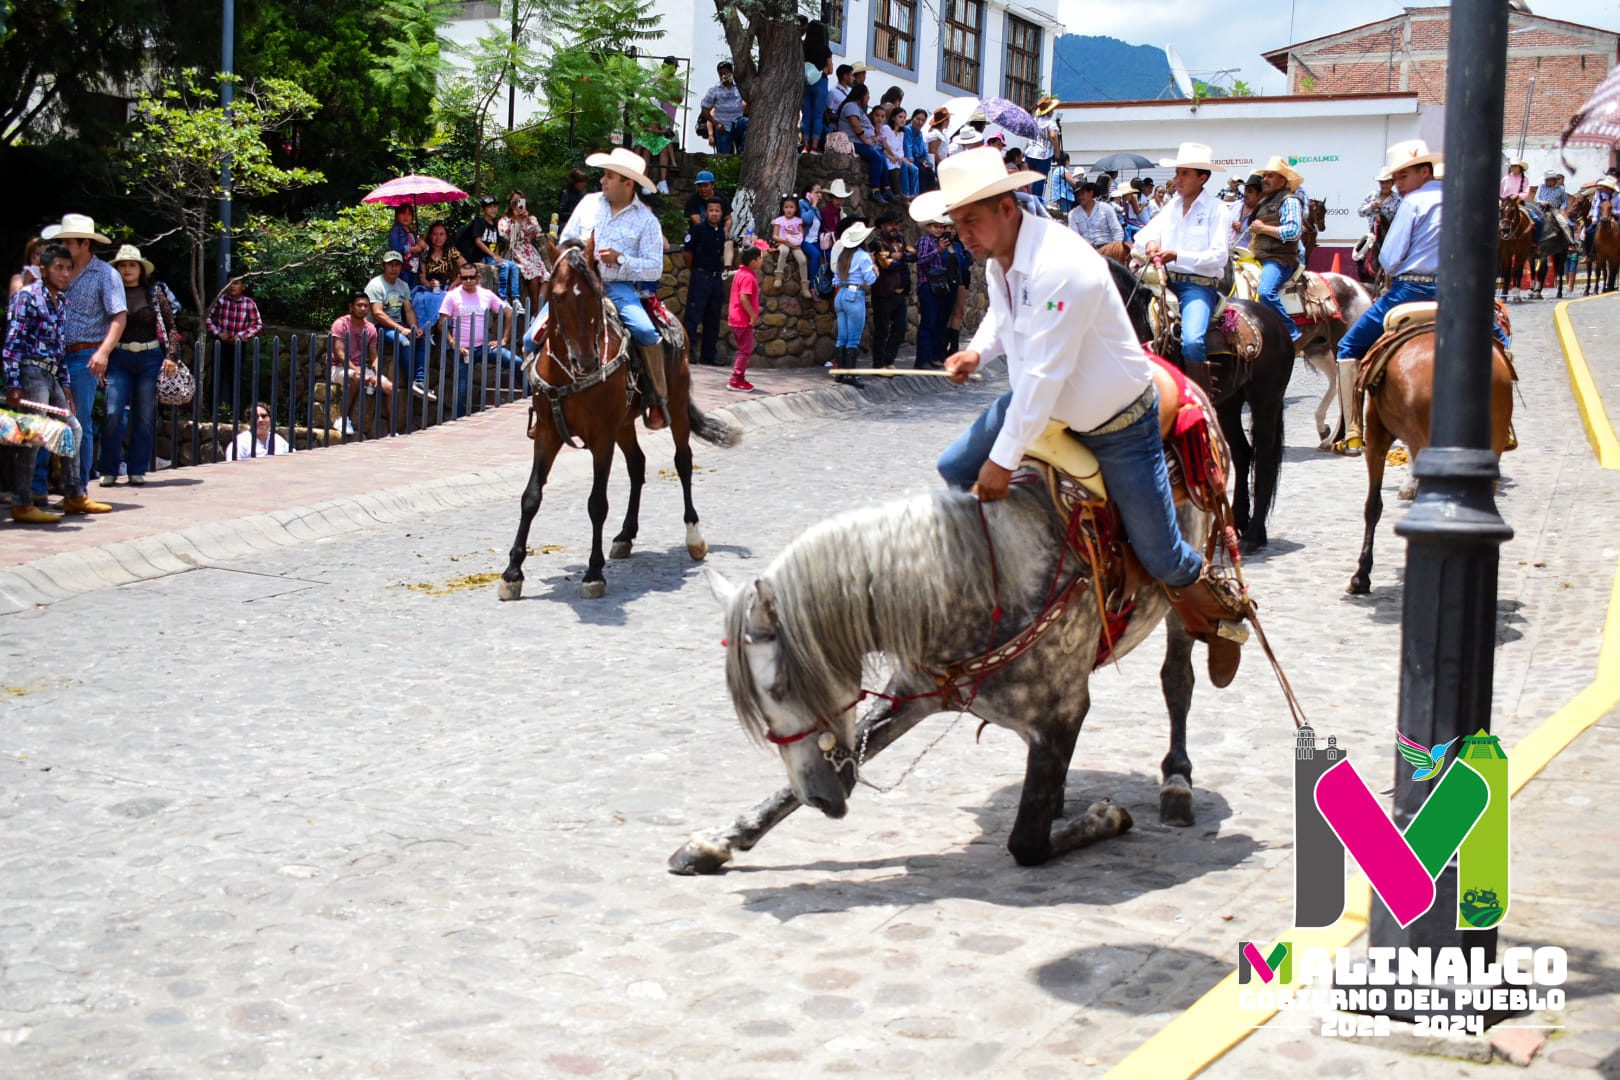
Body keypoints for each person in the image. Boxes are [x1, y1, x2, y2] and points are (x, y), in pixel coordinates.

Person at [914, 147, 1245, 686]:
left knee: (1161, 554)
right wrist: (979, 351)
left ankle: (1223, 607)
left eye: (970, 219)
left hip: (1116, 423)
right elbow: (1006, 321)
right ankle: (1009, 582)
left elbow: (1045, 377)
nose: (963, 233)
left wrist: (1001, 462)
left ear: (1005, 207)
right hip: (1036, 406)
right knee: (954, 468)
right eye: (956, 222)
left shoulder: (1062, 267)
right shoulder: (1003, 256)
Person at [1334, 139, 1454, 455]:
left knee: (1348, 345)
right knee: (1497, 341)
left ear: (1425, 172)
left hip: (1410, 291)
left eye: (1402, 177)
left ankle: (1354, 429)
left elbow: (1390, 258)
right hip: (1455, 293)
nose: (1397, 184)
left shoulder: (1412, 204)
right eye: (1396, 178)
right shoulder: (1459, 200)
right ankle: (1502, 426)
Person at [560, 147, 671, 429]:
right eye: (604, 176)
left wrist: (620, 260)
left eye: (609, 176)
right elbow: (565, 241)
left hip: (617, 286)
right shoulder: (588, 203)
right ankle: (539, 400)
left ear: (628, 183)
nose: (603, 181)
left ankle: (657, 399)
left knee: (646, 331)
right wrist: (578, 258)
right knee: (532, 335)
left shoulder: (647, 221)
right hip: (580, 284)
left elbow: (654, 267)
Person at [4, 243, 111, 520]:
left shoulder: (62, 301)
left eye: (68, 268)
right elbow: (12, 344)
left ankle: (74, 495)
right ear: (44, 270)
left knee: (72, 428)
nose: (65, 274)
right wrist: (14, 383)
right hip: (30, 371)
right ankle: (22, 502)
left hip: (52, 374)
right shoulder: (26, 296)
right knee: (33, 435)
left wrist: (65, 385)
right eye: (58, 268)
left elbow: (59, 347)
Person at [1133, 142, 1232, 391]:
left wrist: (1177, 255)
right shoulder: (1171, 207)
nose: (1177, 180)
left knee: (1191, 341)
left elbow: (1219, 256)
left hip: (1196, 287)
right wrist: (1152, 244)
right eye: (1177, 173)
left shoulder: (1217, 210)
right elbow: (1143, 236)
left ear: (1202, 178)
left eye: (1184, 174)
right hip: (1162, 282)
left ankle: (1200, 401)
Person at [41, 214, 125, 500]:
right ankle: (40, 488)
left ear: (84, 243)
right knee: (44, 420)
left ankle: (78, 488)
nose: (63, 245)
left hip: (83, 354)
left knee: (79, 422)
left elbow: (119, 316)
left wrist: (103, 352)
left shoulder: (105, 274)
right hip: (51, 355)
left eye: (67, 241)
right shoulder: (57, 271)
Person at [100, 244, 180, 487]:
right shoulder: (111, 293)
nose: (127, 269)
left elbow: (171, 326)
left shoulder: (154, 293)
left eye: (131, 265)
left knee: (144, 416)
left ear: (140, 268)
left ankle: (137, 469)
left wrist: (171, 356)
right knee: (113, 413)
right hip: (119, 358)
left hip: (149, 357)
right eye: (122, 265)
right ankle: (109, 469)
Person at [437, 263, 519, 418]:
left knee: (517, 362)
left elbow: (508, 312)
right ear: (460, 278)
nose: (468, 280)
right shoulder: (452, 296)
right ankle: (458, 422)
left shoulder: (486, 294)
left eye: (471, 277)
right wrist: (453, 343)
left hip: (483, 347)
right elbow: (442, 323)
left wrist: (504, 339)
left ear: (478, 277)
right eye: (464, 277)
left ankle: (527, 401)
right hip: (463, 351)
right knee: (461, 390)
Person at [1248, 157, 1306, 345]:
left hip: (1278, 259)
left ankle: (1292, 333)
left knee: (1265, 291)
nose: (1265, 179)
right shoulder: (1264, 201)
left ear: (1283, 180)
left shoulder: (1289, 201)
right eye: (1265, 175)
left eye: (1271, 176)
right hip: (1258, 257)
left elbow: (1293, 231)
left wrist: (1263, 228)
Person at [366, 252, 433, 402]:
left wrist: (414, 327)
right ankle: (411, 382)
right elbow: (378, 314)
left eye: (397, 265)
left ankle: (420, 382)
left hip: (396, 324)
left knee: (423, 339)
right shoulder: (375, 285)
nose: (394, 268)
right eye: (390, 264)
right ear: (384, 266)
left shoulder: (403, 285)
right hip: (377, 327)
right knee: (404, 341)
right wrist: (402, 329)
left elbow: (408, 310)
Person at [329, 292, 395, 435]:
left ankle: (392, 431)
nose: (363, 308)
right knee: (357, 378)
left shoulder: (370, 328)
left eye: (366, 305)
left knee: (390, 387)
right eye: (359, 305)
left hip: (360, 369)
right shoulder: (341, 324)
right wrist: (360, 372)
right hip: (339, 368)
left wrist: (377, 374)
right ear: (351, 307)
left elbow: (374, 355)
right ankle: (343, 419)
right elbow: (340, 354)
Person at [683, 198, 729, 366]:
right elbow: (687, 253)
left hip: (716, 278)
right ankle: (688, 353)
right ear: (706, 212)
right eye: (711, 210)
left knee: (713, 317)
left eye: (717, 210)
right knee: (693, 316)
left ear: (722, 213)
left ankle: (708, 355)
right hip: (701, 276)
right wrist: (695, 270)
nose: (714, 213)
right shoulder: (698, 229)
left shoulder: (721, 232)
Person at [830, 221, 877, 384]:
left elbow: (835, 278)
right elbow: (870, 279)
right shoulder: (863, 256)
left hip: (841, 294)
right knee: (853, 338)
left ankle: (840, 373)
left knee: (842, 336)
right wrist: (875, 270)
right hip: (854, 295)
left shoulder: (843, 255)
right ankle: (850, 374)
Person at [869, 213, 914, 370]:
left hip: (900, 292)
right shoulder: (876, 243)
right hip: (883, 293)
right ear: (882, 226)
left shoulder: (901, 240)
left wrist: (897, 256)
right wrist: (899, 257)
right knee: (882, 330)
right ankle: (879, 364)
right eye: (890, 224)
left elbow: (913, 254)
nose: (894, 227)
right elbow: (887, 264)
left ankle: (889, 361)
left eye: (896, 224)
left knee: (900, 328)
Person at [837, 84, 894, 204]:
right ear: (861, 95)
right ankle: (875, 190)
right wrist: (865, 139)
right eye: (867, 95)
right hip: (855, 141)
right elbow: (855, 125)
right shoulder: (851, 106)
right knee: (876, 158)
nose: (868, 98)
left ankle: (887, 189)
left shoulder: (858, 108)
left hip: (864, 141)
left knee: (883, 159)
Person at [456, 196, 519, 302]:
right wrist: (493, 256)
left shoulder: (494, 224)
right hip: (481, 257)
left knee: (514, 267)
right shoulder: (479, 222)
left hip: (492, 257)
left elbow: (496, 243)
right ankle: (503, 297)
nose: (493, 209)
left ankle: (516, 298)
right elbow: (478, 241)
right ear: (483, 209)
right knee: (504, 266)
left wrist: (497, 256)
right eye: (489, 207)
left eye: (495, 206)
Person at [499, 192, 549, 317]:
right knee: (533, 273)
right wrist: (517, 221)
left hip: (530, 251)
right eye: (515, 202)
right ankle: (536, 309)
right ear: (510, 204)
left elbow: (537, 233)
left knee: (547, 276)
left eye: (520, 202)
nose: (518, 205)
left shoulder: (531, 218)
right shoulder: (505, 220)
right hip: (515, 251)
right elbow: (508, 239)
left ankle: (538, 309)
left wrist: (527, 219)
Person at [914, 217, 953, 369]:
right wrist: (938, 250)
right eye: (936, 227)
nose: (939, 230)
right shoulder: (925, 241)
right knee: (928, 322)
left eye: (941, 227)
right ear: (928, 227)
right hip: (927, 284)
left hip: (937, 285)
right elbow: (921, 260)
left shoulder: (938, 241)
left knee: (936, 322)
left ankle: (929, 357)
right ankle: (922, 360)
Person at [727, 246, 762, 392]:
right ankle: (736, 379)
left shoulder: (741, 273)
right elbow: (744, 298)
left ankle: (739, 378)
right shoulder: (748, 277)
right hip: (742, 319)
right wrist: (753, 315)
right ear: (753, 261)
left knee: (744, 349)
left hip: (735, 317)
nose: (761, 261)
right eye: (760, 259)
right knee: (745, 350)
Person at [769, 193, 813, 299]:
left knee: (802, 260)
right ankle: (778, 277)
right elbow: (774, 236)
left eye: (791, 207)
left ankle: (804, 287)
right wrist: (784, 240)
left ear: (796, 208)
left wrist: (794, 238)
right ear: (782, 208)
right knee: (784, 251)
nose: (789, 210)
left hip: (795, 244)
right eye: (786, 207)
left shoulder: (798, 221)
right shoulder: (779, 221)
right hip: (782, 242)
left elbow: (801, 234)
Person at [699, 60, 748, 154]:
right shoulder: (714, 90)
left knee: (746, 123)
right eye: (720, 74)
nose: (723, 76)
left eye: (725, 73)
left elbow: (748, 101)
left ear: (731, 72)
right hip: (723, 127)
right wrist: (716, 123)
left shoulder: (740, 88)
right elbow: (705, 109)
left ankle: (742, 151)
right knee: (723, 156)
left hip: (737, 123)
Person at [206, 272, 263, 352]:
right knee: (218, 364)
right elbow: (207, 318)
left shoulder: (249, 303)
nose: (232, 286)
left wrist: (241, 335)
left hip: (239, 344)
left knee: (237, 364)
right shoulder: (221, 300)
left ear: (243, 286)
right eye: (230, 283)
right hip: (221, 343)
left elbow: (258, 325)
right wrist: (218, 333)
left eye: (236, 283)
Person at [801, 17, 832, 153]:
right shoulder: (825, 49)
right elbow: (830, 70)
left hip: (805, 83)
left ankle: (805, 145)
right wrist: (823, 70)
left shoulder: (802, 46)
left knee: (806, 115)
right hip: (820, 83)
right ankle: (814, 146)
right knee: (818, 116)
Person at [225, 401, 293, 460]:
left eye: (264, 416)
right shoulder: (240, 442)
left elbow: (293, 457)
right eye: (255, 417)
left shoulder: (277, 439)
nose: (260, 420)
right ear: (248, 421)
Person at [1067, 182, 1123, 248]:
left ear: (1091, 193)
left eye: (1082, 194)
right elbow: (1074, 237)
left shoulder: (1106, 208)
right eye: (1077, 195)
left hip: (1107, 247)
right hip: (1087, 250)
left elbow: (1117, 230)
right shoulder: (1073, 214)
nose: (1080, 197)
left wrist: (1114, 248)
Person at [1026, 97, 1061, 200]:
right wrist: (1057, 152)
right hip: (1044, 154)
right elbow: (1054, 136)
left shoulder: (1034, 121)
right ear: (1049, 111)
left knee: (1031, 179)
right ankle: (1037, 201)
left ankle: (1030, 200)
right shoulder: (1050, 123)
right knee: (1040, 179)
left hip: (1030, 152)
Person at [387, 205, 426, 287]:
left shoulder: (411, 230)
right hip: (403, 267)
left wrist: (421, 246)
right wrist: (412, 249)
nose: (406, 216)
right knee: (404, 289)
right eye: (403, 213)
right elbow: (395, 247)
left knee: (413, 290)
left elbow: (419, 248)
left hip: (414, 267)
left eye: (409, 214)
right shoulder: (396, 229)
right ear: (397, 216)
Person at [799, 183, 826, 296]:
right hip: (803, 240)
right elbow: (806, 220)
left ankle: (825, 285)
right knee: (815, 255)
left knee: (827, 254)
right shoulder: (802, 203)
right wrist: (813, 205)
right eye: (816, 192)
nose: (819, 195)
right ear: (808, 194)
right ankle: (812, 286)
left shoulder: (817, 209)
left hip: (815, 240)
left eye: (820, 192)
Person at [905, 109, 936, 192]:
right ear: (912, 118)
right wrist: (911, 161)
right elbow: (908, 147)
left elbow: (924, 151)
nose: (920, 122)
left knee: (931, 171)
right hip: (911, 159)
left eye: (923, 120)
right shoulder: (907, 130)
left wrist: (928, 163)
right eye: (918, 119)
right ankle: (921, 194)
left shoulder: (920, 133)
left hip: (920, 159)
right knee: (922, 171)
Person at [1231, 174, 1263, 248]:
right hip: (1230, 253)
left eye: (1250, 191)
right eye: (1245, 190)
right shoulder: (1235, 206)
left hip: (1248, 256)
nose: (1245, 194)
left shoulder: (1262, 212)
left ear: (1260, 195)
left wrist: (1242, 228)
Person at [1046, 151, 1077, 217]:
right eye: (1069, 161)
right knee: (1066, 217)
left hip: (1060, 198)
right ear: (1066, 161)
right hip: (1064, 198)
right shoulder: (1062, 170)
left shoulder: (1057, 170)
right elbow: (1073, 183)